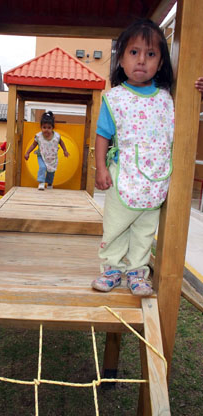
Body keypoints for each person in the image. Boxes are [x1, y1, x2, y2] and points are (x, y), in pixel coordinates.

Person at [91, 19, 174, 296]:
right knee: (116, 224)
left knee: (145, 229)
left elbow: (185, 117)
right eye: (134, 52)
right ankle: (113, 268)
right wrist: (100, 168)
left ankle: (138, 271)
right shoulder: (115, 98)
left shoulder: (167, 99)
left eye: (151, 54)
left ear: (160, 63)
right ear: (122, 60)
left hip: (154, 179)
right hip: (122, 177)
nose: (142, 60)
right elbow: (103, 134)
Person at [24, 111, 69, 190]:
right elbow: (33, 145)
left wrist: (65, 150)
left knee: (51, 171)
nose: (46, 130)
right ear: (41, 127)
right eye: (44, 127)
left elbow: (61, 142)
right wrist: (28, 152)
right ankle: (41, 183)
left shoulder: (56, 136)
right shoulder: (39, 136)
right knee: (42, 167)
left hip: (52, 157)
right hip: (41, 155)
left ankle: (49, 184)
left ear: (52, 128)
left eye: (49, 128)